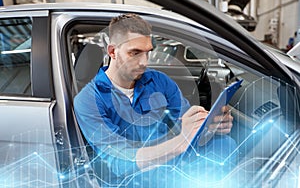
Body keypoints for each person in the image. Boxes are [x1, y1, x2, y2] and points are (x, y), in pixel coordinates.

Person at [74, 13, 237, 187]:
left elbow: (185, 122)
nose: (144, 62)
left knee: (225, 144)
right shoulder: (89, 100)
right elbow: (121, 162)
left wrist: (210, 126)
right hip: (131, 179)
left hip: (170, 166)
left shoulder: (160, 81)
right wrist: (182, 141)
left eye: (148, 52)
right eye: (135, 53)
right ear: (113, 51)